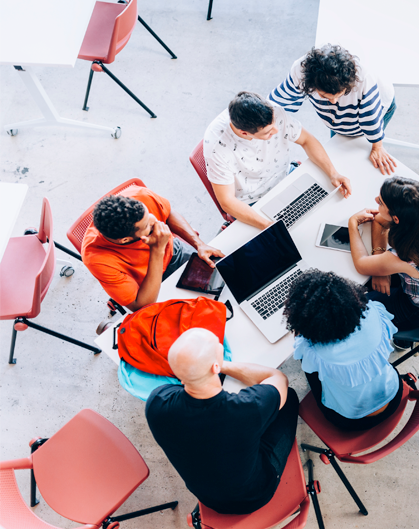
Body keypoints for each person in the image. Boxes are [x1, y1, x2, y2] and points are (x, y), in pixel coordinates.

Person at [145, 328, 299, 515]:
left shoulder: (156, 403)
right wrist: (221, 364)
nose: (220, 345)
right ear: (215, 367)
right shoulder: (247, 409)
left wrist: (202, 368)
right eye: (218, 345)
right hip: (255, 495)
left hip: (207, 498)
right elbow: (278, 378)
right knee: (289, 398)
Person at [203, 91, 352, 230]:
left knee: (332, 213)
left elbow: (307, 140)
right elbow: (227, 202)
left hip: (287, 176)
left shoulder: (273, 111)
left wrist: (333, 173)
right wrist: (270, 226)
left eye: (274, 123)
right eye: (268, 132)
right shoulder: (217, 147)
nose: (276, 130)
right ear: (244, 133)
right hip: (254, 201)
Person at [284, 270, 403, 430]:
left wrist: (301, 333)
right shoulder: (374, 311)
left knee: (307, 365)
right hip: (393, 394)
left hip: (351, 419)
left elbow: (303, 351)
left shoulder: (313, 351)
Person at [347, 177, 419, 341]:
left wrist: (353, 223)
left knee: (352, 310)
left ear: (396, 219)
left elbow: (361, 265)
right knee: (369, 284)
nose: (376, 200)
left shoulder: (410, 254)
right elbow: (379, 222)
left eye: (381, 203)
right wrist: (380, 267)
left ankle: (399, 338)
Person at [82, 185, 224, 311]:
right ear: (125, 240)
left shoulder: (139, 195)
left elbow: (167, 213)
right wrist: (157, 250)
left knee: (224, 286)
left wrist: (199, 244)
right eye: (148, 227)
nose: (155, 221)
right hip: (147, 286)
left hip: (176, 252)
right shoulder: (96, 258)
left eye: (148, 214)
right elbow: (142, 305)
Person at [269, 44, 398, 175]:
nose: (334, 102)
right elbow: (277, 103)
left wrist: (377, 146)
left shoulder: (364, 79)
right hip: (343, 115)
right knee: (338, 147)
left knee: (355, 158)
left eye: (339, 96)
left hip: (378, 106)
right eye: (325, 96)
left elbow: (371, 119)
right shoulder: (300, 71)